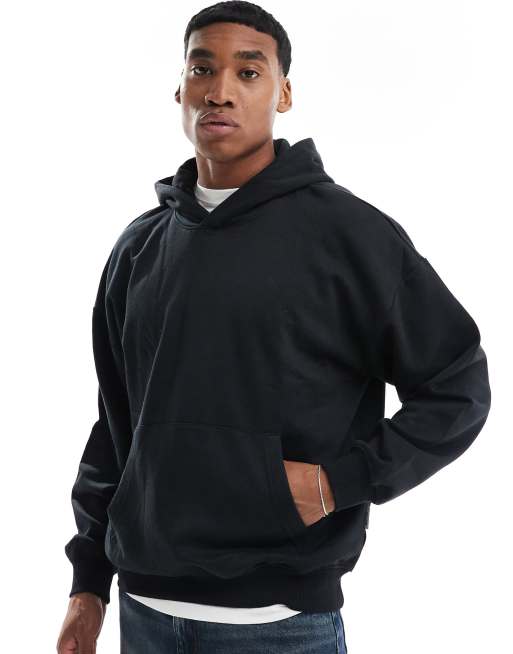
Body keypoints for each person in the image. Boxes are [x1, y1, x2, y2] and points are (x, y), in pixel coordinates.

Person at [56, 2, 492, 652]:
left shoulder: (348, 236)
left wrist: (336, 484)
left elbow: (457, 387)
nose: (220, 90)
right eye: (201, 68)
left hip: (280, 624)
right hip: (143, 613)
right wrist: (87, 584)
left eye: (248, 71)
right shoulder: (138, 248)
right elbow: (115, 426)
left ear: (283, 94)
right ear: (179, 90)